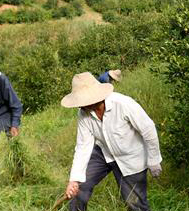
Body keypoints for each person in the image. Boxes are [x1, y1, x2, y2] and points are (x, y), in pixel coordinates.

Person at [62, 72, 162, 211]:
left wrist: (154, 159)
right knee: (79, 188)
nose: (79, 106)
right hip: (104, 152)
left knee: (134, 203)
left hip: (131, 158)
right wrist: (74, 179)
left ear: (93, 98)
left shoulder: (123, 104)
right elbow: (83, 147)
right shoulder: (84, 113)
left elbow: (148, 129)